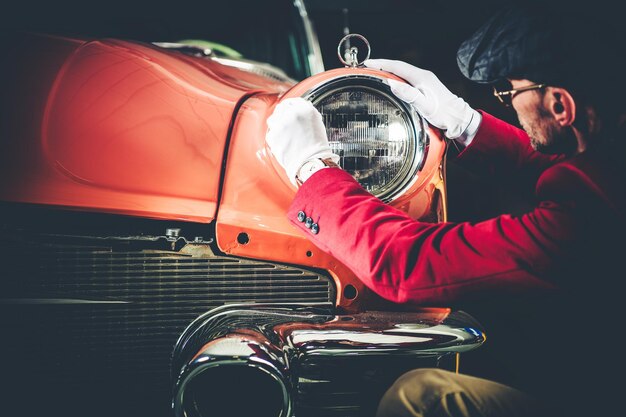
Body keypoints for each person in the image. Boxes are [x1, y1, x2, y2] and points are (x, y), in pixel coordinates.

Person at [266, 7, 625, 417]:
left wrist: (314, 170)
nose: (508, 103)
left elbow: (405, 264)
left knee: (420, 396)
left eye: (509, 91)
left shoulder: (582, 219)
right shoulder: (609, 159)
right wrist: (464, 122)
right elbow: (569, 174)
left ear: (561, 107)